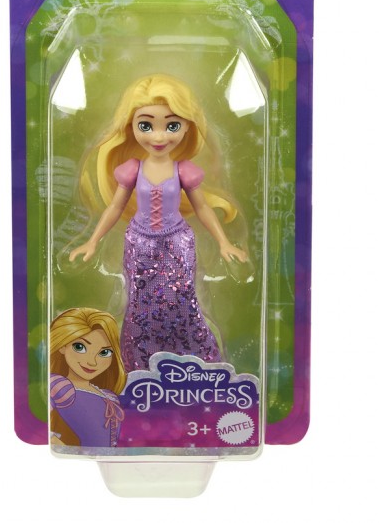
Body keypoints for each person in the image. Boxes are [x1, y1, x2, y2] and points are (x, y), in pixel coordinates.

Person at [70, 74, 247, 371]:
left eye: (172, 126)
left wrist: (224, 242)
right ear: (131, 125)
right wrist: (91, 241)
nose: (159, 136)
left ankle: (192, 360)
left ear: (187, 126)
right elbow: (115, 207)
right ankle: (140, 363)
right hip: (139, 245)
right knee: (141, 304)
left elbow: (202, 208)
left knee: (181, 300)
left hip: (177, 244)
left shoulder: (184, 171)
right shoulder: (132, 169)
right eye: (146, 125)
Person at [49, 308, 126, 447]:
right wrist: (57, 443)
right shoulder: (60, 386)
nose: (92, 362)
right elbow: (38, 423)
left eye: (104, 352)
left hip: (108, 457)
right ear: (62, 346)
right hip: (75, 457)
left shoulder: (109, 396)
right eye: (79, 347)